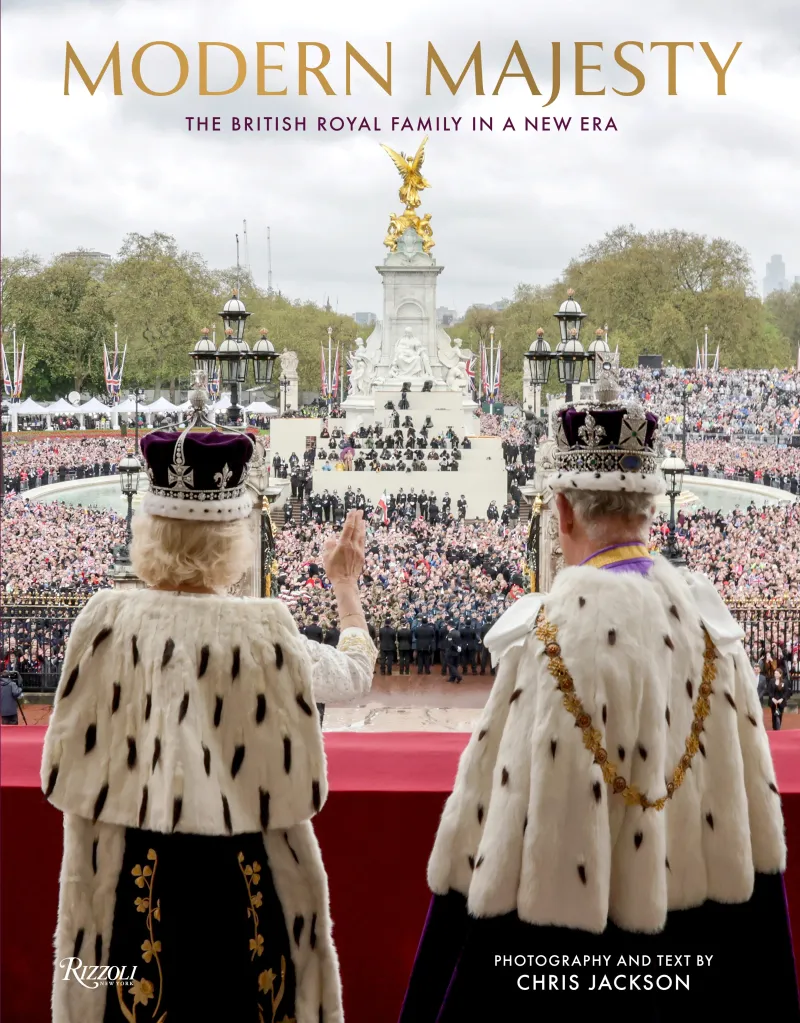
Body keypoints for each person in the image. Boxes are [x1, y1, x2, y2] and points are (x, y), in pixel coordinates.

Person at [399, 371, 797, 1019]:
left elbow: (491, 837)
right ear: (648, 507)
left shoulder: (544, 638)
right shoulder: (713, 629)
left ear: (561, 512)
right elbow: (758, 839)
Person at [41, 427, 376, 1022]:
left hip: (126, 877)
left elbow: (60, 770)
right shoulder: (265, 631)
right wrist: (346, 590)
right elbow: (353, 678)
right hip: (243, 877)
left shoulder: (101, 621)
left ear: (148, 531)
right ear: (234, 541)